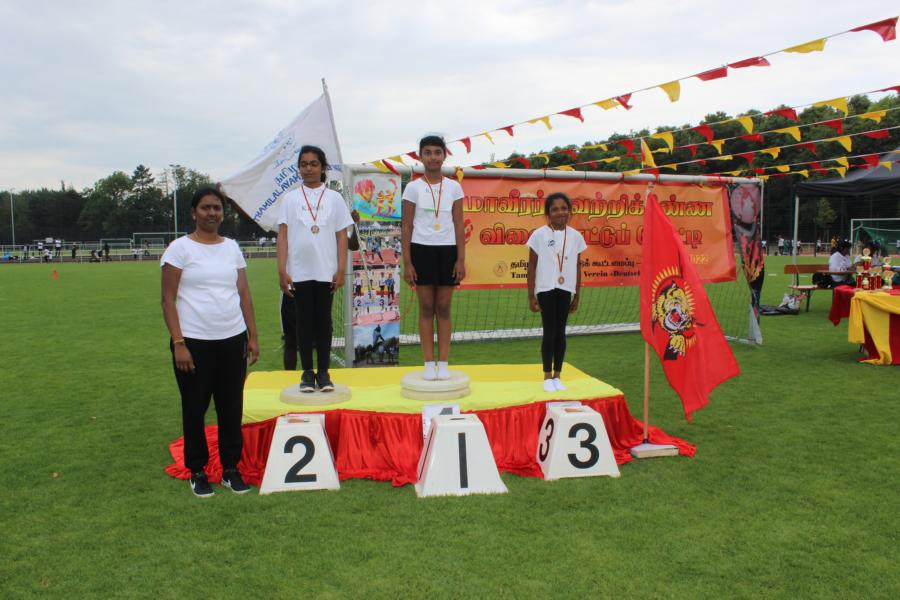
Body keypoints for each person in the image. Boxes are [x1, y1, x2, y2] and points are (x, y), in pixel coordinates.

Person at [161, 186, 259, 498]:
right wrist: (179, 343)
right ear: (194, 212)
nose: (212, 213)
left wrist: (252, 336)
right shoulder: (179, 249)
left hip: (232, 339)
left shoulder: (231, 248)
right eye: (205, 207)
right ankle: (198, 470)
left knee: (231, 407)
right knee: (195, 408)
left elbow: (243, 293)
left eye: (217, 208)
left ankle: (231, 469)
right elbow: (167, 300)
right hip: (194, 342)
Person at [277, 145, 353, 393]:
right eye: (304, 164)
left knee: (324, 322)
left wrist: (340, 269)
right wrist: (282, 270)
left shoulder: (334, 198)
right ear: (299, 168)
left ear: (322, 168)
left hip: (325, 270)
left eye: (313, 164)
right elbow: (283, 236)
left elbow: (342, 236)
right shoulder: (290, 199)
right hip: (299, 271)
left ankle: (324, 372)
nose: (308, 168)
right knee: (303, 322)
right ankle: (307, 373)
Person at [402, 135, 466, 380]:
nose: (432, 157)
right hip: (421, 249)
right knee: (427, 307)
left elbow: (458, 224)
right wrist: (408, 262)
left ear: (444, 155)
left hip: (448, 250)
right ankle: (429, 363)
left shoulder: (454, 187)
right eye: (427, 152)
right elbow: (407, 226)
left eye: (437, 152)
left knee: (444, 308)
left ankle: (444, 362)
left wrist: (460, 259)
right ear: (420, 156)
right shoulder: (413, 187)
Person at [527, 192, 586, 392]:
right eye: (554, 209)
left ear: (569, 211)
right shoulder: (539, 235)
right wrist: (531, 295)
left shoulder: (576, 236)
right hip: (545, 288)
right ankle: (547, 375)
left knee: (561, 332)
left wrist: (577, 294)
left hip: (565, 288)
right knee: (549, 331)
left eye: (564, 208)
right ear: (548, 214)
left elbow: (577, 266)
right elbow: (532, 265)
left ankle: (558, 375)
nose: (560, 212)